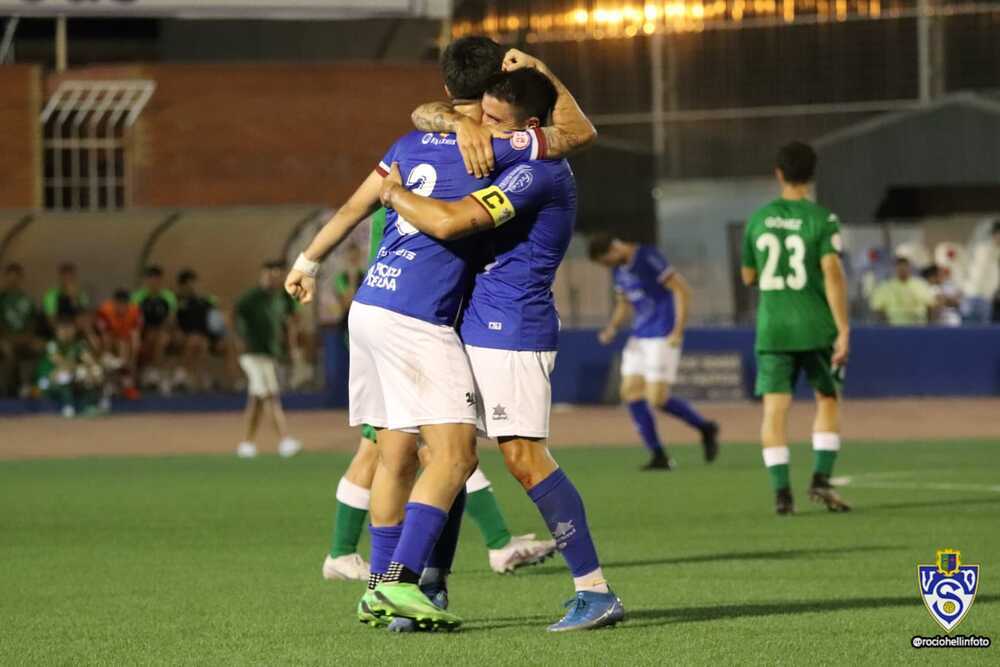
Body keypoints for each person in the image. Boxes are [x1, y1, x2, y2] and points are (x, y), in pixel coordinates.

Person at [284, 37, 594, 632]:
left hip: (370, 305)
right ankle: (400, 587)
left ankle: (381, 584)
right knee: (454, 455)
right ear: (489, 102)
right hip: (418, 319)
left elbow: (355, 205)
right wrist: (534, 76)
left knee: (395, 451)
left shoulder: (408, 140)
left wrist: (308, 261)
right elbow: (578, 135)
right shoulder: (503, 148)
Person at [381, 55, 625, 631]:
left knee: (523, 459)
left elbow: (453, 220)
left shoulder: (536, 171)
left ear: (528, 128)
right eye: (480, 116)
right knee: (447, 456)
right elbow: (433, 113)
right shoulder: (505, 145)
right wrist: (461, 122)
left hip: (511, 330)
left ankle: (595, 591)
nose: (481, 127)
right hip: (474, 324)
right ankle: (428, 591)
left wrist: (391, 194)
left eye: (493, 120)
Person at [323, 215, 556, 583]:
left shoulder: (403, 188)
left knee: (416, 451)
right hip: (407, 331)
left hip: (390, 324)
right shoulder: (427, 195)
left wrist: (307, 261)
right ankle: (363, 564)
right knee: (422, 450)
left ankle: (368, 569)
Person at [741, 141, 851, 515]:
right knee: (827, 398)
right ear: (812, 175)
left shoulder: (757, 219)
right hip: (815, 327)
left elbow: (748, 275)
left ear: (778, 173)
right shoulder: (822, 219)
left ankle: (782, 494)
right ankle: (820, 480)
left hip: (773, 329)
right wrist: (844, 327)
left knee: (774, 411)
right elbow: (832, 272)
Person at [588, 235, 720, 469]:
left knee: (657, 398)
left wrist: (678, 330)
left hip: (662, 333)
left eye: (605, 260)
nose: (606, 266)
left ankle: (705, 427)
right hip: (640, 335)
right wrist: (612, 328)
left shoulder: (648, 256)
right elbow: (624, 303)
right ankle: (658, 455)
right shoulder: (618, 270)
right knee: (630, 393)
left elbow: (682, 291)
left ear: (614, 248)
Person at [235, 261, 303, 459]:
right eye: (268, 275)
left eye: (276, 276)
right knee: (270, 395)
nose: (271, 279)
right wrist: (239, 341)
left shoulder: (282, 298)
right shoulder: (251, 298)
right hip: (251, 355)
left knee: (256, 399)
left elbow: (290, 323)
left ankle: (246, 444)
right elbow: (234, 315)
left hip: (269, 355)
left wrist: (291, 348)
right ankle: (285, 440)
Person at [175, 269, 233, 391]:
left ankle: (232, 381)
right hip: (187, 336)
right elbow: (173, 321)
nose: (192, 286)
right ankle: (182, 376)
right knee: (197, 342)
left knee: (230, 344)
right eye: (188, 284)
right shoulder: (176, 301)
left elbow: (218, 317)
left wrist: (222, 332)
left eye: (194, 283)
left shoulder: (204, 301)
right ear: (182, 285)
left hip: (207, 336)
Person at [36, 315, 104, 418]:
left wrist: (93, 370)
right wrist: (79, 368)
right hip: (46, 380)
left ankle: (91, 405)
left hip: (68, 376)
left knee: (94, 372)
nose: (66, 332)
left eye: (69, 328)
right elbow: (62, 364)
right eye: (62, 329)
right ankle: (68, 407)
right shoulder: (52, 345)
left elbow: (90, 361)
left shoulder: (78, 344)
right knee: (65, 375)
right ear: (57, 331)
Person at [132, 266, 178, 394]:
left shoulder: (168, 297)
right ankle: (144, 373)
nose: (154, 283)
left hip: (162, 331)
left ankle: (157, 372)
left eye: (157, 280)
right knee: (148, 338)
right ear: (147, 281)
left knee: (162, 339)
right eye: (151, 280)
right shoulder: (138, 297)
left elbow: (171, 319)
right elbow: (134, 320)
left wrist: (163, 329)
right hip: (143, 332)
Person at [0, 263, 41, 397]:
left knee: (38, 348)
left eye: (16, 277)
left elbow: (33, 323)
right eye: (10, 277)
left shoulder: (27, 299)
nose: (13, 280)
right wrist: (4, 339)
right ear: (5, 278)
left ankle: (30, 390)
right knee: (8, 354)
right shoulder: (2, 298)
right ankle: (6, 394)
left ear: (21, 278)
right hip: (5, 340)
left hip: (23, 339)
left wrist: (28, 337)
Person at [95, 289, 142, 400]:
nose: (122, 307)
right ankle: (110, 382)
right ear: (114, 302)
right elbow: (104, 335)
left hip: (125, 343)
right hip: (108, 343)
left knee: (126, 345)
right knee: (117, 345)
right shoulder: (104, 311)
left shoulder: (134, 311)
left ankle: (127, 383)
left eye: (124, 304)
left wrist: (132, 356)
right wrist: (107, 354)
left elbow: (136, 336)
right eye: (119, 303)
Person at [869, 257, 935, 325]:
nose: (903, 270)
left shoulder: (921, 285)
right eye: (900, 268)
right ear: (895, 269)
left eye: (905, 267)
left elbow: (931, 306)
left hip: (918, 326)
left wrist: (930, 326)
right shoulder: (885, 287)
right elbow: (877, 309)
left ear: (910, 268)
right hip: (894, 327)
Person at [961, 220, 1000, 324]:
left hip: (986, 299)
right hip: (973, 298)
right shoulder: (984, 250)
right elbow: (975, 274)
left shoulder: (994, 252)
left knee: (982, 334)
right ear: (995, 235)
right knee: (969, 333)